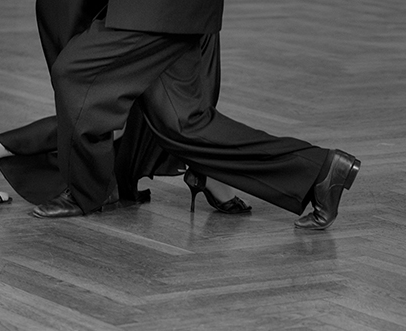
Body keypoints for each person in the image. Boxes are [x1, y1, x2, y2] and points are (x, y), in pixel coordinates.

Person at [33, 0, 360, 229]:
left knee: (74, 73)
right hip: (171, 12)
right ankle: (321, 170)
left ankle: (88, 190)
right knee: (183, 124)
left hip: (155, 10)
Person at [0, 0, 250, 213]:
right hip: (91, 8)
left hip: (133, 9)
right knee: (105, 111)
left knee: (151, 97)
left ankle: (204, 170)